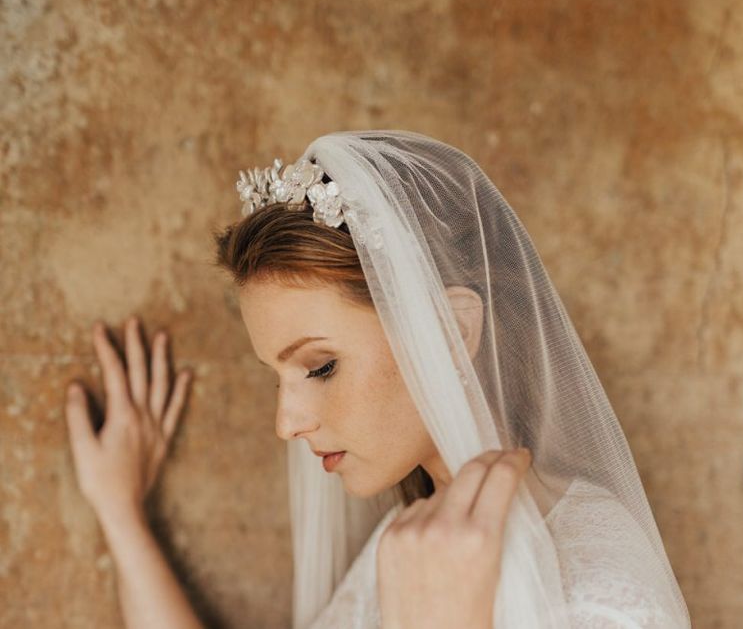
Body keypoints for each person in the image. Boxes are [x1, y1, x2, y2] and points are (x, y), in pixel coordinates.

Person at [65, 129, 692, 628]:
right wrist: (120, 512)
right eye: (278, 378)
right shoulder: (414, 539)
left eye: (320, 367)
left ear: (451, 332)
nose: (287, 424)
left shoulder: (604, 594)